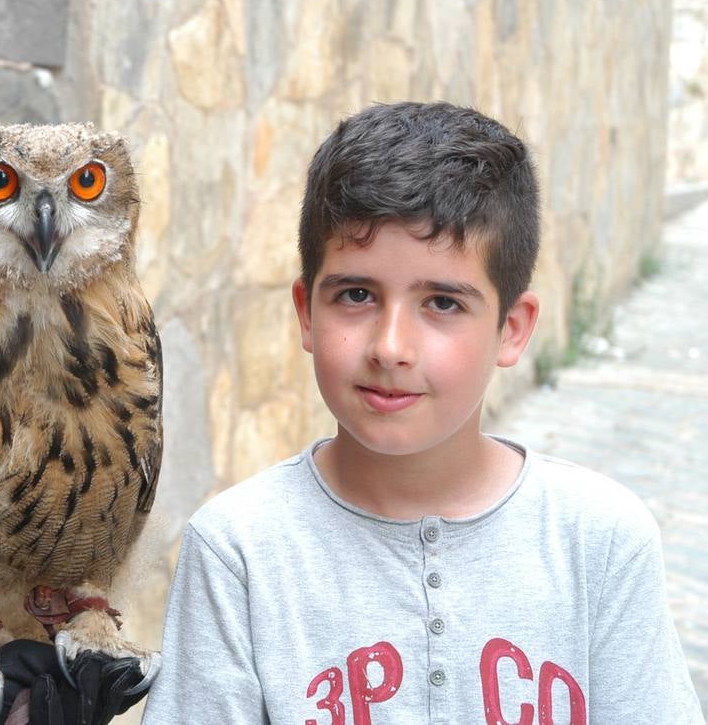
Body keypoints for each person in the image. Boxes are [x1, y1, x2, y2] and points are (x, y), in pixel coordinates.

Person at [142, 102, 703, 723]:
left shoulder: (600, 541)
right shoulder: (240, 551)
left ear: (512, 329)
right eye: (356, 295)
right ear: (306, 312)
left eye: (442, 303)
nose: (390, 348)